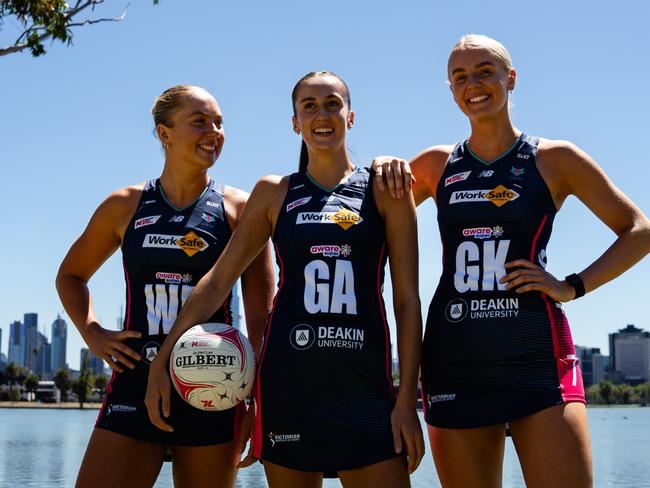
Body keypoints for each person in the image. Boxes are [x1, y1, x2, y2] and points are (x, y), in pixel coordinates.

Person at [372, 34, 650, 488]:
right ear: (451, 89)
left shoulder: (555, 159)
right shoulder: (436, 165)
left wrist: (571, 286)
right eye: (460, 77)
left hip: (536, 356)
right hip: (453, 359)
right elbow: (364, 222)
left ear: (511, 79)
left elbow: (639, 230)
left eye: (485, 71)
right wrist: (383, 164)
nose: (473, 84)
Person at [145, 71, 425, 487]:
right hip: (288, 391)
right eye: (308, 106)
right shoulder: (275, 193)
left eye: (332, 103)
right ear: (295, 122)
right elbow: (219, 280)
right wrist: (162, 361)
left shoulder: (386, 190)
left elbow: (407, 301)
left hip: (366, 390)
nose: (321, 114)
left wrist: (406, 401)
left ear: (351, 117)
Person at [56, 84, 275, 488]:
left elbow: (262, 320)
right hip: (135, 379)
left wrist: (257, 399)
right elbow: (70, 276)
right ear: (165, 133)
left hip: (214, 383)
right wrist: (94, 333)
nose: (214, 131)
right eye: (200, 122)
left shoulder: (240, 210)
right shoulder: (124, 205)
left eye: (219, 123)